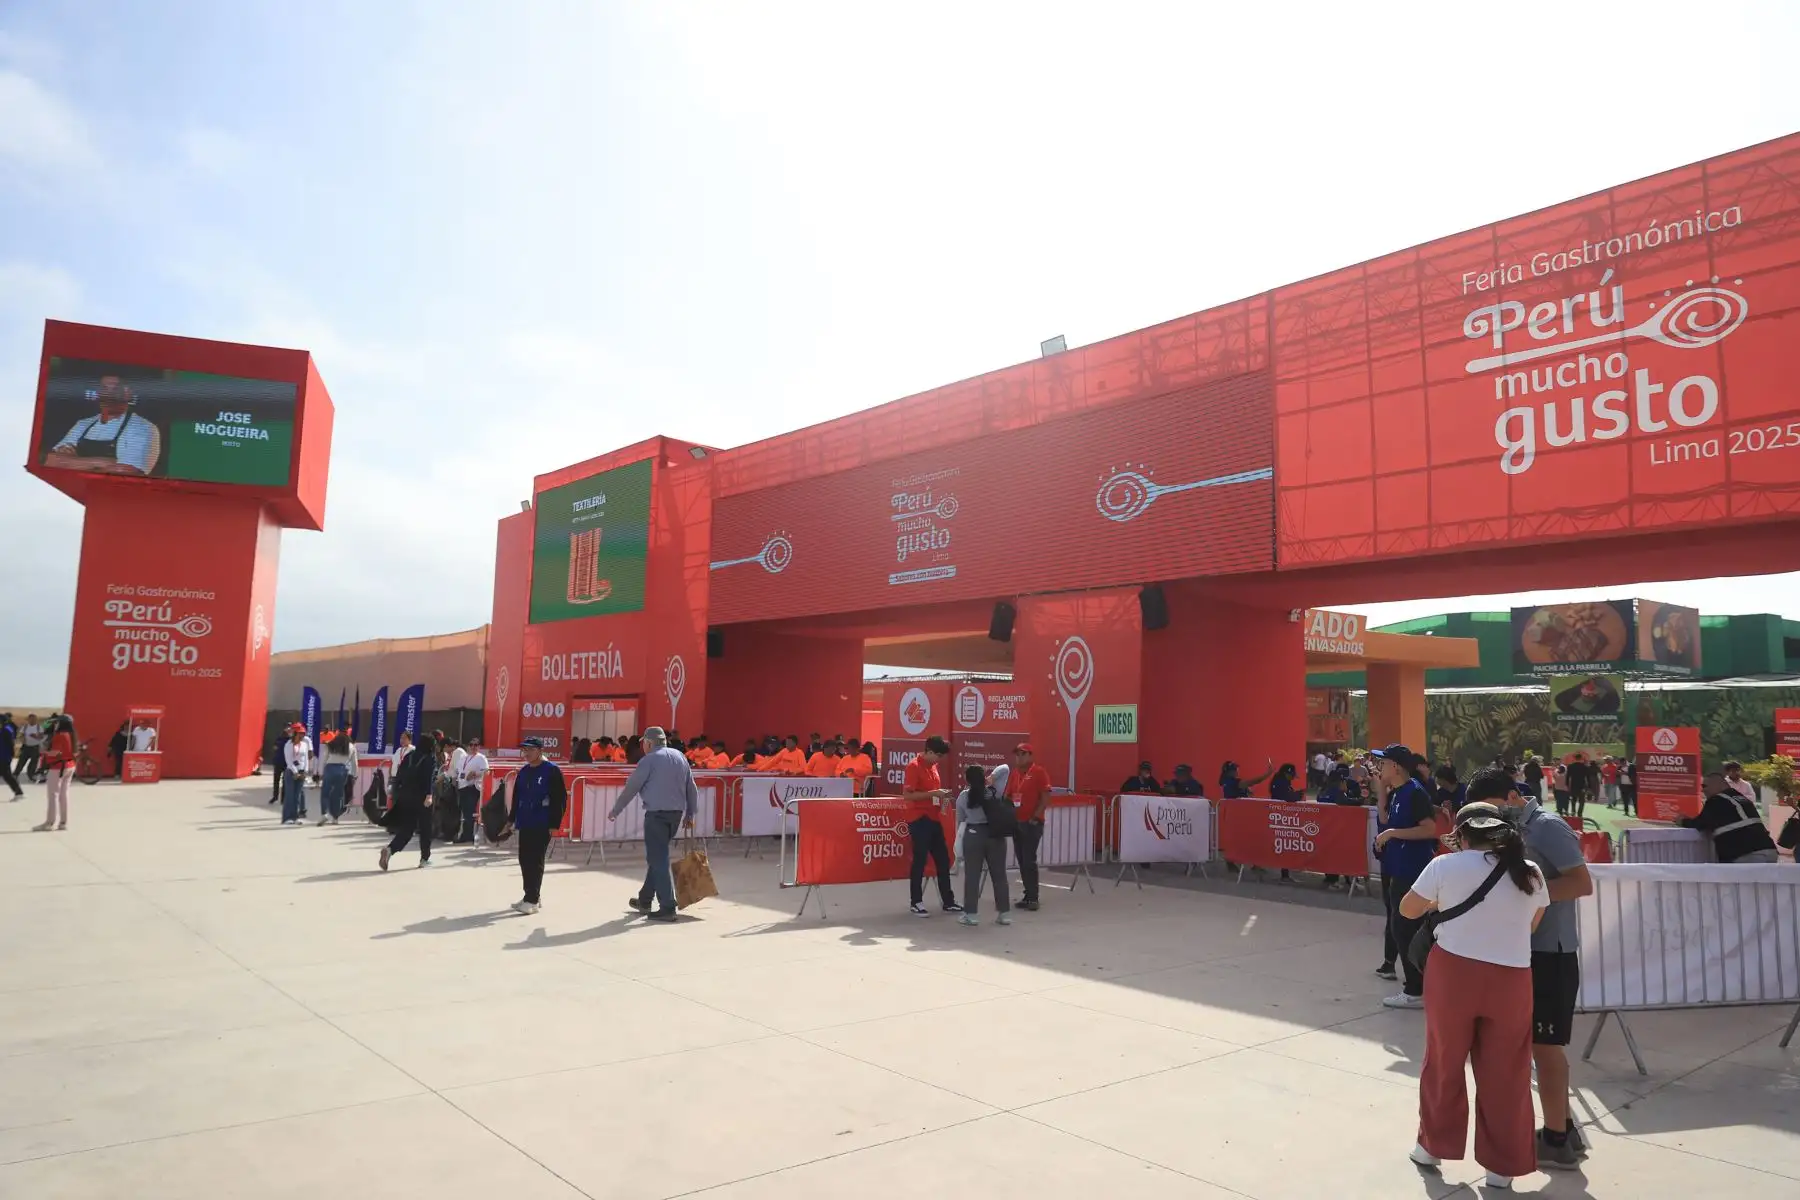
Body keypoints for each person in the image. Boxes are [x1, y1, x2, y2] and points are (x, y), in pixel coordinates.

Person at [1400, 801, 1548, 1190]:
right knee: (1507, 1072)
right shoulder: (1530, 872)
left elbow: (1409, 909)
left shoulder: (1444, 866)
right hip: (1513, 978)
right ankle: (1503, 1167)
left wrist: (1441, 901)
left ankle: (1432, 1146)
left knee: (1443, 1062)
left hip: (1453, 975)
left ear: (1461, 834)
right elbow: (1532, 924)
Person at [1464, 765, 1595, 1170]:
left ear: (1512, 796)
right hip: (1524, 951)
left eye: (1494, 808)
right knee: (1538, 1047)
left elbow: (1581, 882)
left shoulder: (1548, 827)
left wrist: (1527, 896)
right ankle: (1565, 1127)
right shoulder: (1511, 832)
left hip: (1551, 954)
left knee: (1546, 1047)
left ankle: (1555, 1140)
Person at [1372, 744, 1439, 1007]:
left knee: (1406, 927)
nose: (1380, 768)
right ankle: (1417, 986)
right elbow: (1387, 821)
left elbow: (1429, 829)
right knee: (1399, 927)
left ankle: (1415, 989)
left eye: (1384, 763)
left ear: (1396, 766)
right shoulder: (1398, 793)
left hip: (1413, 871)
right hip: (1396, 868)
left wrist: (1392, 834)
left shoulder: (1415, 793)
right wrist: (1380, 795)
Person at [608, 726, 698, 921]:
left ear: (648, 743)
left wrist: (616, 810)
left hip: (656, 816)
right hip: (676, 816)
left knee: (658, 860)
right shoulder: (680, 756)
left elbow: (632, 787)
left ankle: (667, 906)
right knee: (658, 858)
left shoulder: (648, 760)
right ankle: (645, 899)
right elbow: (691, 786)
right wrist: (691, 813)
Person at [45, 375, 158, 476]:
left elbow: (126, 471)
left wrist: (74, 462)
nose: (108, 394)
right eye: (104, 388)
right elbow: (51, 461)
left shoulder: (142, 427)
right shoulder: (83, 424)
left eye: (114, 389)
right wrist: (102, 463)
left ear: (127, 394)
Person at [903, 735, 961, 917]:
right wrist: (933, 793)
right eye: (938, 755)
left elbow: (932, 794)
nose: (939, 760)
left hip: (934, 818)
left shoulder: (934, 767)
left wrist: (941, 796)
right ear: (928, 751)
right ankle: (916, 902)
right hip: (919, 818)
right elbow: (908, 796)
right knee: (919, 860)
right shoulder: (913, 766)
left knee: (943, 860)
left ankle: (948, 901)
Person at [506, 737, 566, 914]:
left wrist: (555, 823)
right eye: (524, 750)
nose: (526, 754)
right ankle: (531, 896)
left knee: (535, 860)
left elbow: (560, 798)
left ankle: (531, 900)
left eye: (530, 750)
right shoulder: (523, 771)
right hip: (525, 821)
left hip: (542, 821)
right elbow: (516, 798)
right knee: (524, 859)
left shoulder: (551, 770)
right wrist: (510, 820)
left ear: (540, 750)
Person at [955, 764, 1013, 927]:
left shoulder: (963, 797)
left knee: (972, 875)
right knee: (999, 875)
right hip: (995, 835)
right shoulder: (994, 791)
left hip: (973, 834)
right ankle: (1005, 914)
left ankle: (971, 914)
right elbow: (1005, 768)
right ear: (983, 777)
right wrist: (992, 778)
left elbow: (961, 820)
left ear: (967, 780)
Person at [1683, 770, 1780, 863]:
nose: (1703, 790)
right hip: (1769, 850)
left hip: (1746, 854)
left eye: (1704, 786)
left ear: (1718, 784)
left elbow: (1699, 824)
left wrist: (1682, 820)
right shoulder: (1740, 798)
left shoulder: (1716, 801)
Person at [380, 732, 438, 870]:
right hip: (422, 797)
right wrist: (429, 795)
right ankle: (425, 858)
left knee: (407, 829)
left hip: (405, 796)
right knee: (425, 829)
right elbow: (428, 778)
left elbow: (399, 775)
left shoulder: (409, 756)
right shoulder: (430, 757)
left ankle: (390, 850)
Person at [1008, 743, 1053, 911]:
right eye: (1017, 754)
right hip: (1017, 822)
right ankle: (1028, 895)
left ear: (1030, 756)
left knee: (1029, 859)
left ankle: (1033, 897)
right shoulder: (1014, 774)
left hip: (1032, 823)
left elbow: (1045, 797)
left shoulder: (1039, 772)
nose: (1019, 757)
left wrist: (1035, 817)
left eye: (1023, 754)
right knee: (1022, 860)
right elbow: (1009, 796)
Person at [34, 715, 76, 831]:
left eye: (57, 722)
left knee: (53, 795)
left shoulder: (60, 736)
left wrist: (44, 752)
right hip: (70, 765)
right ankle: (63, 822)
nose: (55, 724)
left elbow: (55, 752)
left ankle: (49, 822)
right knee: (64, 795)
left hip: (58, 767)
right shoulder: (72, 735)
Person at [319, 723, 354, 824]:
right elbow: (354, 762)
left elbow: (324, 759)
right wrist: (354, 775)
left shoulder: (330, 744)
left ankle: (324, 813)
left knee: (325, 792)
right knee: (338, 794)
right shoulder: (351, 746)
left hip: (330, 768)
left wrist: (321, 772)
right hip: (342, 769)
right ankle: (335, 817)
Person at [455, 737, 488, 843]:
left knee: (469, 811)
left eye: (476, 745)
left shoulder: (481, 758)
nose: (473, 747)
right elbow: (458, 771)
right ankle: (466, 834)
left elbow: (486, 771)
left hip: (473, 787)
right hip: (462, 786)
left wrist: (475, 774)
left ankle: (468, 835)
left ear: (479, 747)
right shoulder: (464, 757)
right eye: (471, 745)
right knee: (465, 811)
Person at [280, 726, 311, 825]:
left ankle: (295, 817)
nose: (302, 736)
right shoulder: (288, 745)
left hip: (301, 772)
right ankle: (287, 818)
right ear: (295, 734)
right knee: (290, 795)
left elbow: (306, 759)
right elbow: (288, 760)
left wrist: (305, 771)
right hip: (291, 772)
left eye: (303, 734)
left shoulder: (304, 745)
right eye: (300, 733)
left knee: (297, 796)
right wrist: (295, 772)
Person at [16, 714, 43, 785]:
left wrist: (35, 736)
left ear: (36, 719)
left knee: (33, 763)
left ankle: (31, 776)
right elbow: (20, 735)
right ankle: (15, 775)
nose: (32, 720)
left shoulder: (38, 727)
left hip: (35, 747)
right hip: (26, 747)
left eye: (33, 719)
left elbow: (41, 737)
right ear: (28, 719)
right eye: (30, 719)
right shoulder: (25, 727)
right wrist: (22, 738)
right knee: (21, 761)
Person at [0, 714, 20, 800]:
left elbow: (11, 743)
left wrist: (12, 754)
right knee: (6, 775)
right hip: (3, 755)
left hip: (4, 756)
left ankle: (19, 793)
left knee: (7, 775)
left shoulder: (6, 730)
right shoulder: (4, 729)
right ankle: (18, 792)